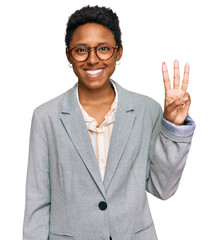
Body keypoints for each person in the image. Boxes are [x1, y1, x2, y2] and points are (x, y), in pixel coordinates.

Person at [23, 5, 196, 240]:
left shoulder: (147, 110)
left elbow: (162, 188)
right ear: (68, 55)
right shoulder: (46, 117)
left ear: (119, 52)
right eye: (81, 50)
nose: (93, 60)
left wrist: (173, 127)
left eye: (103, 49)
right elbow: (37, 203)